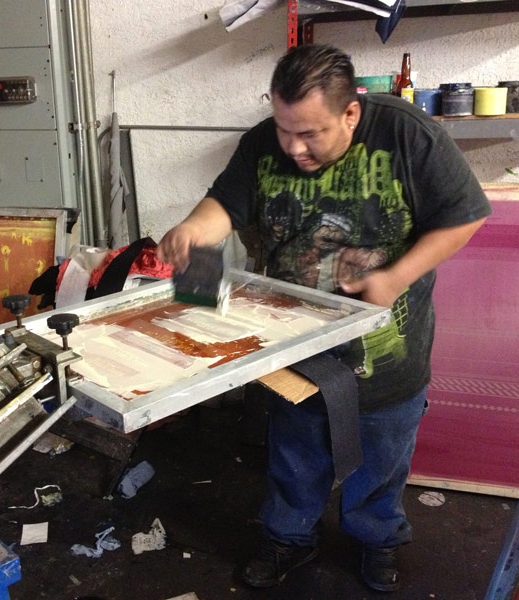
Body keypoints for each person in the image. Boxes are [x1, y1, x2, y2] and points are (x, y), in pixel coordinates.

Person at [157, 44, 491, 592]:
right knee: (296, 447)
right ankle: (289, 537)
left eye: (310, 133)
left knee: (382, 451)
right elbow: (226, 204)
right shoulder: (264, 143)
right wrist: (196, 229)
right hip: (295, 345)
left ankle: (376, 537)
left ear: (350, 113)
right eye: (285, 129)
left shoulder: (407, 135)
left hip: (388, 350)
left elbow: (466, 216)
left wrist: (396, 276)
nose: (294, 147)